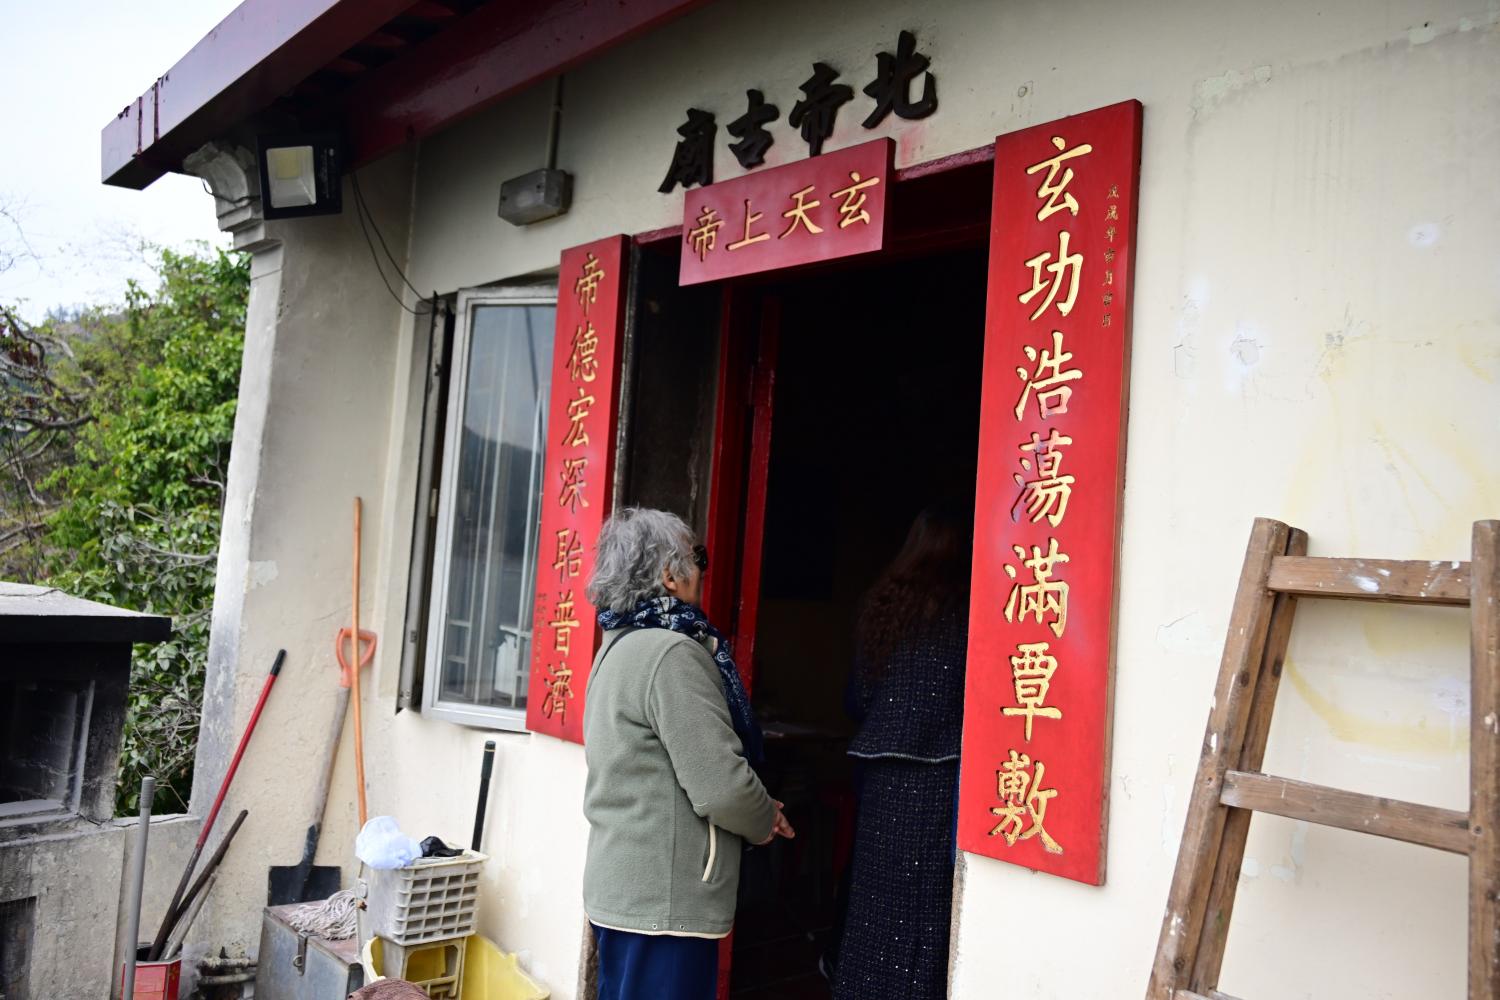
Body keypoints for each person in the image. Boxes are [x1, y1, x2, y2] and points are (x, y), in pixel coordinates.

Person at [581, 507, 794, 1000]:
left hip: (626, 889)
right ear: (669, 575)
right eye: (698, 557)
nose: (703, 569)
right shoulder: (671, 653)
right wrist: (765, 817)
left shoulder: (616, 647)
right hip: (664, 901)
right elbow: (721, 786)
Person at [831, 502, 972, 1000]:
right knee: (923, 911)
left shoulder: (882, 607)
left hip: (881, 780)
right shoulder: (971, 614)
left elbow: (858, 698)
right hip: (938, 780)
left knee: (874, 907)